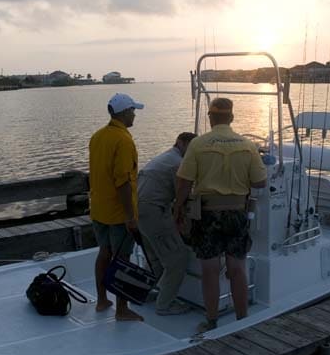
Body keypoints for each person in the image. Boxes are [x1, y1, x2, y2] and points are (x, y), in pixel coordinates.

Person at [174, 97, 267, 333]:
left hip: (207, 215)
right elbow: (260, 181)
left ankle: (212, 320)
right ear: (232, 118)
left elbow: (184, 182)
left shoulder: (198, 144)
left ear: (211, 118)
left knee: (210, 270)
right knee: (237, 268)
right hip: (237, 213)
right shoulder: (247, 145)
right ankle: (242, 318)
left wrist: (178, 209)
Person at [89, 92, 145, 322]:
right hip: (118, 213)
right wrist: (130, 216)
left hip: (99, 209)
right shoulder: (123, 140)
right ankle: (122, 309)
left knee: (104, 253)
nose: (134, 115)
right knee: (122, 259)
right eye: (132, 110)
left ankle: (102, 300)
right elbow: (122, 181)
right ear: (123, 113)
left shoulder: (98, 136)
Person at [137, 132, 197, 316]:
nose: (194, 151)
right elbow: (184, 195)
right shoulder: (178, 163)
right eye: (192, 146)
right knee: (177, 259)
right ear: (180, 143)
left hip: (138, 210)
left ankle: (143, 293)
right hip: (154, 211)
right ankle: (164, 305)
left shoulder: (165, 157)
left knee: (155, 258)